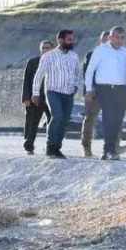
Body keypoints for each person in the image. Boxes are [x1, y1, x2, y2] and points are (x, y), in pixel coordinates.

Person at [31, 29, 83, 159]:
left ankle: (57, 147)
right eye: (69, 39)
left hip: (68, 93)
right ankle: (50, 146)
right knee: (57, 116)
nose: (72, 42)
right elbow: (39, 75)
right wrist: (35, 93)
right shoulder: (49, 56)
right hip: (53, 91)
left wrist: (75, 86)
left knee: (65, 119)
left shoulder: (74, 56)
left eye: (73, 39)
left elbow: (77, 73)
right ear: (60, 40)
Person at [84, 26, 126, 161]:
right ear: (110, 37)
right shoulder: (100, 50)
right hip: (104, 89)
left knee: (118, 120)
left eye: (122, 38)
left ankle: (109, 150)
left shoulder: (125, 52)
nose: (119, 40)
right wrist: (89, 89)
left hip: (121, 90)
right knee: (109, 118)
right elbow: (90, 70)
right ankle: (109, 150)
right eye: (116, 37)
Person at [21, 40, 55, 154]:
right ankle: (29, 145)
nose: (46, 50)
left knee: (54, 121)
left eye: (48, 48)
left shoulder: (57, 62)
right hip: (35, 97)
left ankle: (51, 146)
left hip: (52, 97)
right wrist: (26, 98)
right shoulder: (33, 62)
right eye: (44, 48)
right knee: (32, 122)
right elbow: (26, 80)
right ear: (41, 49)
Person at [80, 30, 111, 157]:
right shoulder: (91, 54)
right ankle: (86, 147)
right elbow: (87, 72)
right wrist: (90, 89)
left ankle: (111, 148)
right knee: (89, 120)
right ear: (100, 40)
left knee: (112, 120)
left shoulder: (114, 55)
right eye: (104, 39)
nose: (106, 41)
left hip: (110, 92)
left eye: (109, 39)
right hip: (93, 93)